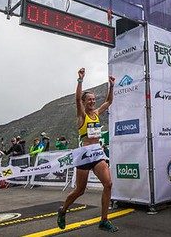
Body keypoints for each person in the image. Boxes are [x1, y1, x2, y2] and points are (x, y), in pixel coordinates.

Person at [57, 68, 118, 233]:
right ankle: (63, 210)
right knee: (80, 190)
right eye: (89, 100)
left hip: (97, 153)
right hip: (84, 155)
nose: (92, 101)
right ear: (84, 102)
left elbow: (109, 102)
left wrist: (111, 86)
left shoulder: (96, 113)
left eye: (93, 99)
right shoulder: (82, 116)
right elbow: (77, 99)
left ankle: (104, 220)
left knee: (108, 183)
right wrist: (80, 80)